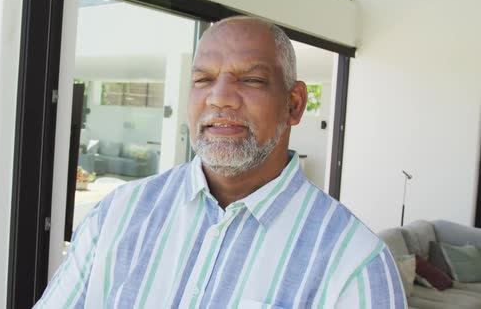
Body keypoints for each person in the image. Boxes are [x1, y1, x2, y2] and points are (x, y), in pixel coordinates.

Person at [35, 16, 406, 308]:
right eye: (203, 79)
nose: (220, 98)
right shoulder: (116, 216)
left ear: (294, 104)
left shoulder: (354, 264)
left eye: (252, 79)